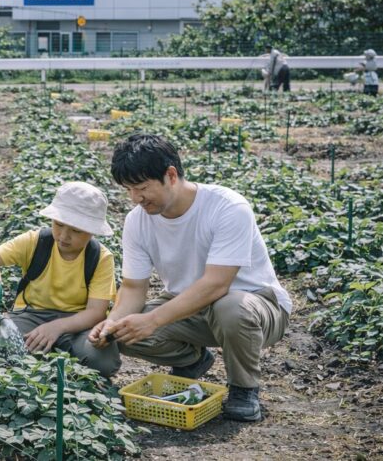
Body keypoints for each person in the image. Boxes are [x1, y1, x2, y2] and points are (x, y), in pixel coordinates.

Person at [89, 134, 292, 422]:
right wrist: (112, 323)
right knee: (124, 332)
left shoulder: (227, 207)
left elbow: (217, 284)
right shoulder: (137, 220)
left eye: (142, 188)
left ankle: (244, 389)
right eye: (129, 190)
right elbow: (134, 287)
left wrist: (153, 320)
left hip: (255, 306)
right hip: (190, 308)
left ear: (170, 175)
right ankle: (194, 360)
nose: (135, 198)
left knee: (229, 307)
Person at [0, 182, 120, 378]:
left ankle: (47, 351)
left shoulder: (100, 258)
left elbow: (95, 312)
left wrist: (56, 328)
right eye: (58, 225)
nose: (64, 236)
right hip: (32, 315)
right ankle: (49, 355)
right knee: (2, 335)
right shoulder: (36, 242)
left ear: (93, 231)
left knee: (102, 361)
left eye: (76, 230)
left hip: (77, 323)